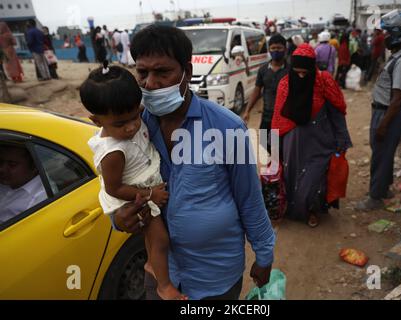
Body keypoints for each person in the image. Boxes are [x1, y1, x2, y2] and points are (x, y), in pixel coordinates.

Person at [113, 25, 275, 300]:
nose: (150, 83)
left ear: (187, 72)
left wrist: (264, 254)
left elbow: (249, 198)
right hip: (161, 273)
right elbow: (114, 188)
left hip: (215, 277)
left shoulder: (227, 128)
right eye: (142, 72)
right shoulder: (131, 130)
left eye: (162, 72)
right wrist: (118, 219)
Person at [80, 61, 185, 300]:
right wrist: (150, 195)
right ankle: (164, 286)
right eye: (120, 124)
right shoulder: (113, 152)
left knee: (152, 240)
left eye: (135, 117)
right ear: (97, 121)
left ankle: (152, 265)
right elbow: (114, 187)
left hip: (142, 187)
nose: (131, 127)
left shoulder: (131, 122)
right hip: (133, 197)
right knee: (160, 239)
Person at [271, 43, 352, 227]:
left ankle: (313, 210)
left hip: (319, 141)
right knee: (292, 179)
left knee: (315, 179)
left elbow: (337, 112)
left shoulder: (324, 81)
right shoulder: (285, 84)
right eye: (297, 72)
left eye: (304, 73)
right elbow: (277, 117)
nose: (300, 76)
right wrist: (274, 147)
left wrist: (342, 139)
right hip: (293, 144)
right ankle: (294, 210)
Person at [356, 10, 401, 211]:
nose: (385, 36)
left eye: (389, 32)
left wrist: (383, 124)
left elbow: (397, 99)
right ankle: (383, 189)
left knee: (380, 155)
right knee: (384, 153)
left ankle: (375, 198)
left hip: (389, 113)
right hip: (387, 111)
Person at [242, 34, 289, 154]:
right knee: (264, 142)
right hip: (267, 115)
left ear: (285, 49)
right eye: (273, 48)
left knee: (281, 147)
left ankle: (280, 166)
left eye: (279, 48)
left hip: (285, 116)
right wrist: (247, 111)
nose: (276, 51)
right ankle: (276, 163)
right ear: (269, 49)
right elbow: (257, 90)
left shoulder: (290, 70)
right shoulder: (263, 70)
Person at [0, 143, 47, 224]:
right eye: (0, 162)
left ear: (34, 167)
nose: (2, 169)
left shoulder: (38, 200)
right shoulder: (8, 181)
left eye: (12, 165)